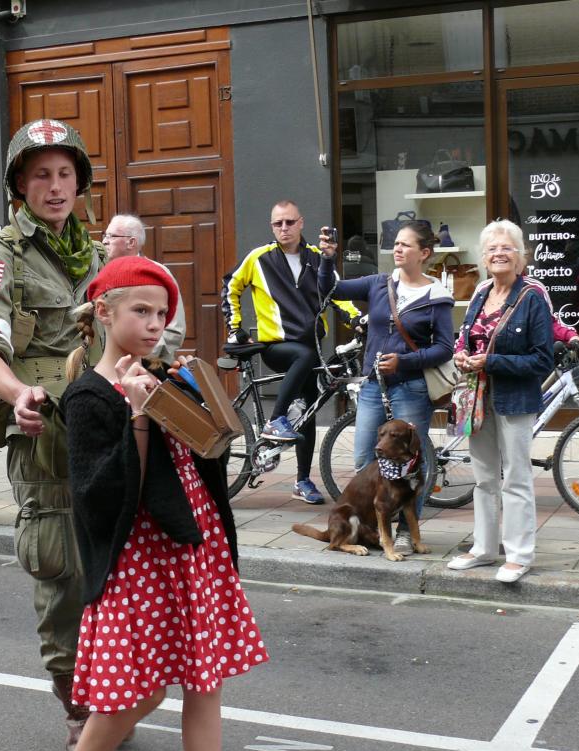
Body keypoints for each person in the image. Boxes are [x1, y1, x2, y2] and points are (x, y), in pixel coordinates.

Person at [36, 254, 270, 751]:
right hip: (136, 559)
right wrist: (140, 419)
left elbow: (212, 456)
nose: (154, 323)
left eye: (162, 314)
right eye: (141, 310)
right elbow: (101, 497)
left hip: (190, 550)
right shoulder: (89, 396)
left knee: (204, 682)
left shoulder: (164, 375)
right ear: (104, 313)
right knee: (139, 692)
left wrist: (198, 400)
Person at [0, 118, 117, 751]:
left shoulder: (98, 256)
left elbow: (135, 327)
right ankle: (78, 710)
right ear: (19, 185)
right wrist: (17, 392)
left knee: (113, 567)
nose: (55, 187)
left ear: (80, 183)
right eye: (41, 175)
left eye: (65, 174)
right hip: (44, 432)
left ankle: (109, 695)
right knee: (63, 570)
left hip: (106, 428)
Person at [317, 219, 453, 554]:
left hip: (411, 389)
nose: (398, 248)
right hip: (373, 387)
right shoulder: (379, 283)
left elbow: (445, 348)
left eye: (406, 244)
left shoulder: (437, 296)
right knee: (367, 459)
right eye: (396, 243)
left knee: (410, 464)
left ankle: (407, 532)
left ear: (424, 253)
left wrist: (404, 361)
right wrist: (327, 259)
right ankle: (370, 530)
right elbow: (330, 290)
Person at [221, 200, 357, 505]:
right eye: (277, 223)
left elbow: (337, 293)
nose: (284, 228)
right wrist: (236, 326)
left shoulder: (316, 259)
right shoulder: (259, 258)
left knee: (308, 413)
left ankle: (302, 481)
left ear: (301, 223)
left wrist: (355, 317)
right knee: (302, 359)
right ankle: (275, 418)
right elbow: (230, 286)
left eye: (289, 222)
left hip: (310, 347)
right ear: (272, 227)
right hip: (276, 346)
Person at [447, 220, 554, 583]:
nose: (499, 254)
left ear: (521, 256)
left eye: (507, 248)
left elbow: (543, 359)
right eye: (492, 249)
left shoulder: (532, 297)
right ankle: (484, 547)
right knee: (484, 478)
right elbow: (465, 337)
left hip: (515, 399)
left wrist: (491, 362)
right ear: (483, 257)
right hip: (477, 399)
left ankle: (520, 554)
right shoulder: (480, 293)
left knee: (517, 478)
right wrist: (461, 355)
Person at [101, 213, 186, 363]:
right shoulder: (101, 273)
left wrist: (140, 354)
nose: (104, 241)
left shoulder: (157, 274)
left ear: (131, 242)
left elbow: (175, 329)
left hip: (149, 366)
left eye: (111, 236)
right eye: (105, 236)